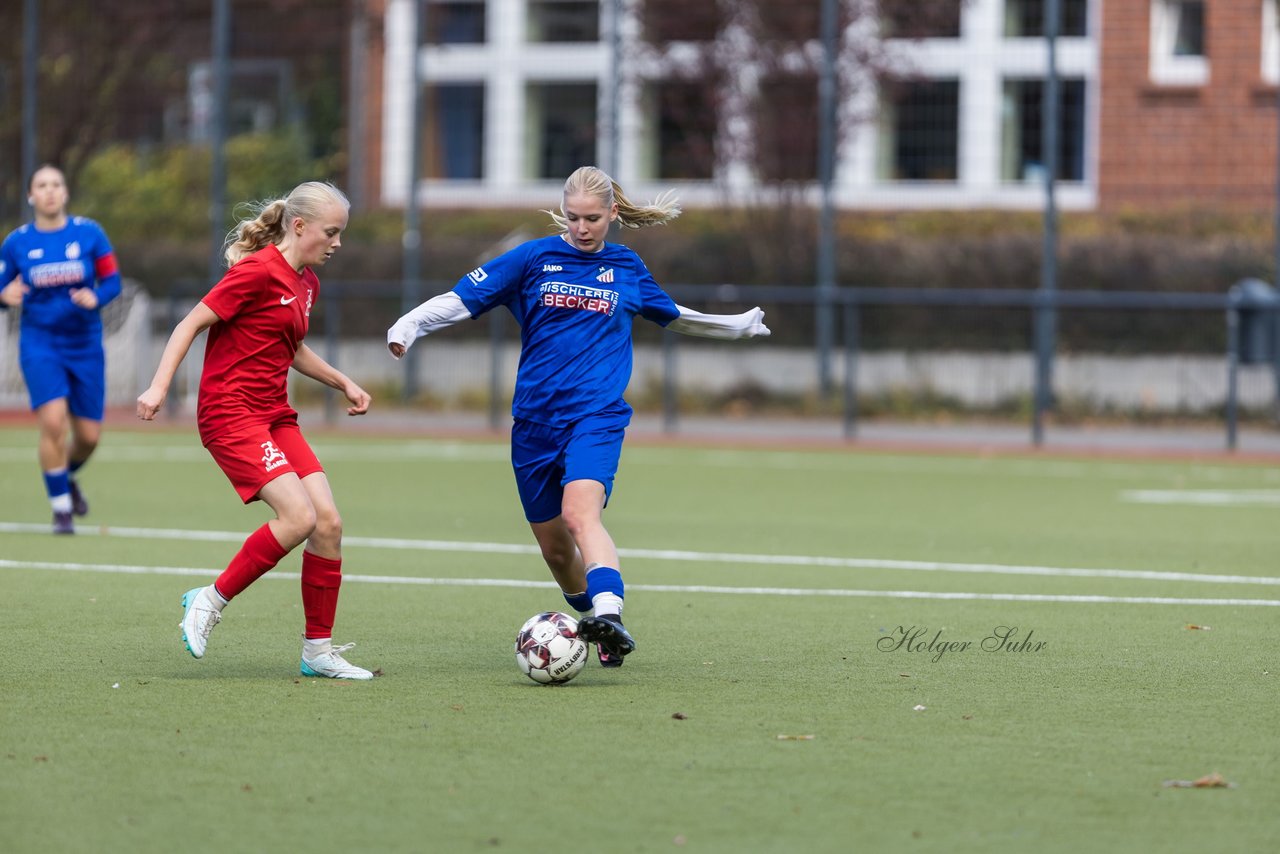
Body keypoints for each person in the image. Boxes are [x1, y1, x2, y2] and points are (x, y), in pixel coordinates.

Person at [386, 165, 770, 668]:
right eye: (573, 218)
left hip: (597, 415)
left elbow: (673, 315)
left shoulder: (626, 267)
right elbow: (462, 299)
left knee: (579, 515)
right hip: (534, 424)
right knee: (556, 552)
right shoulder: (533, 258)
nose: (582, 228)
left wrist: (734, 327)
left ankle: (609, 615)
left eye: (592, 218)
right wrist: (409, 323)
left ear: (613, 213)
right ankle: (595, 618)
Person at [136, 181, 376, 681]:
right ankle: (209, 599)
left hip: (272, 414)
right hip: (229, 413)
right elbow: (189, 324)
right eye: (331, 232)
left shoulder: (306, 281)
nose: (337, 243)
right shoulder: (256, 271)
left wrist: (342, 382)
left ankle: (318, 652)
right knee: (298, 518)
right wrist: (159, 387)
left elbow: (289, 345)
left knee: (327, 522)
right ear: (300, 225)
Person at [0, 164, 122, 535]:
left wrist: (96, 295)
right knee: (53, 424)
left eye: (56, 184)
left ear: (65, 193)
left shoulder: (89, 234)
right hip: (40, 344)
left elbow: (112, 280)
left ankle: (62, 478)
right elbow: (1, 289)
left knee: (88, 437)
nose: (50, 191)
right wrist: (4, 295)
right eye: (42, 185)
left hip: (85, 345)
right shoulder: (16, 242)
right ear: (31, 196)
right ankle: (62, 512)